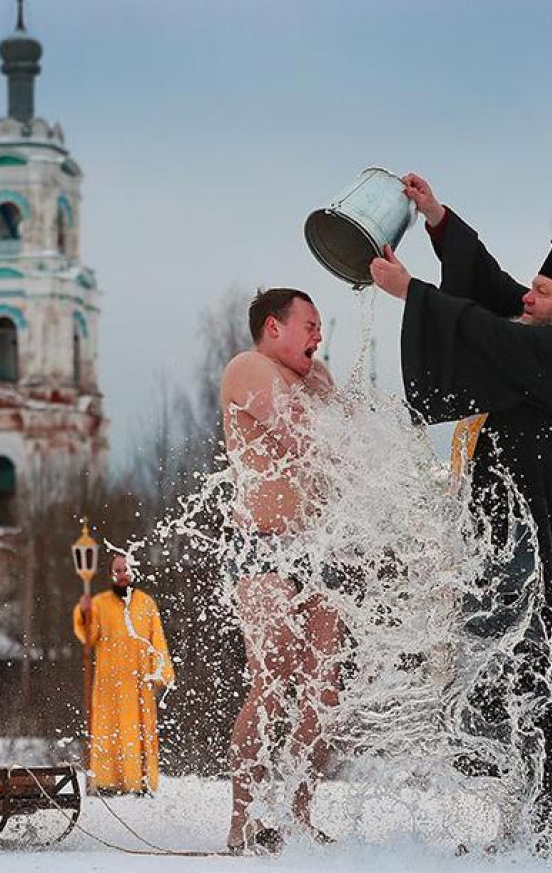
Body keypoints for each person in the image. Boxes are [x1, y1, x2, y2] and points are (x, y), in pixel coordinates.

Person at [369, 174, 552, 863]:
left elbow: (488, 332)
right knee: (508, 667)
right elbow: (494, 289)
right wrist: (440, 219)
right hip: (518, 529)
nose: (526, 297)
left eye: (541, 293)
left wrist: (411, 294)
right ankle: (529, 820)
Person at [218, 287, 341, 854]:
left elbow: (358, 445)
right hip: (262, 546)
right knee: (274, 672)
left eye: (320, 328)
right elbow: (307, 438)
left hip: (316, 549)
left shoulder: (318, 379)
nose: (319, 337)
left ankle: (298, 812)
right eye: (310, 325)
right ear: (274, 326)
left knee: (325, 689)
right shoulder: (249, 368)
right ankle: (241, 821)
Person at [73, 554, 175, 795]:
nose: (122, 575)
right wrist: (85, 613)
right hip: (109, 682)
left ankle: (138, 781)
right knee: (107, 729)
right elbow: (89, 637)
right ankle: (106, 781)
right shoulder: (99, 603)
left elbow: (157, 640)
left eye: (125, 570)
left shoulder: (146, 603)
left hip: (139, 681)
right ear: (111, 573)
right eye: (117, 570)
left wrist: (161, 672)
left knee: (138, 731)